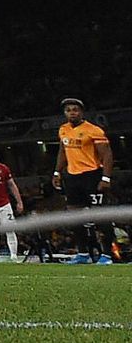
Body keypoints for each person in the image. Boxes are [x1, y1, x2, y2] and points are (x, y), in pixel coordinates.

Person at [52, 98, 116, 264]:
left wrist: (106, 177)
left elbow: (107, 155)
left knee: (100, 216)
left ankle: (107, 255)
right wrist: (57, 172)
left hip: (92, 175)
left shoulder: (93, 130)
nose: (72, 112)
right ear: (65, 113)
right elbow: (62, 151)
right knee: (75, 217)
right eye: (68, 110)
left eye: (75, 109)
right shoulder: (63, 129)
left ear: (81, 112)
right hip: (72, 177)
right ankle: (82, 253)